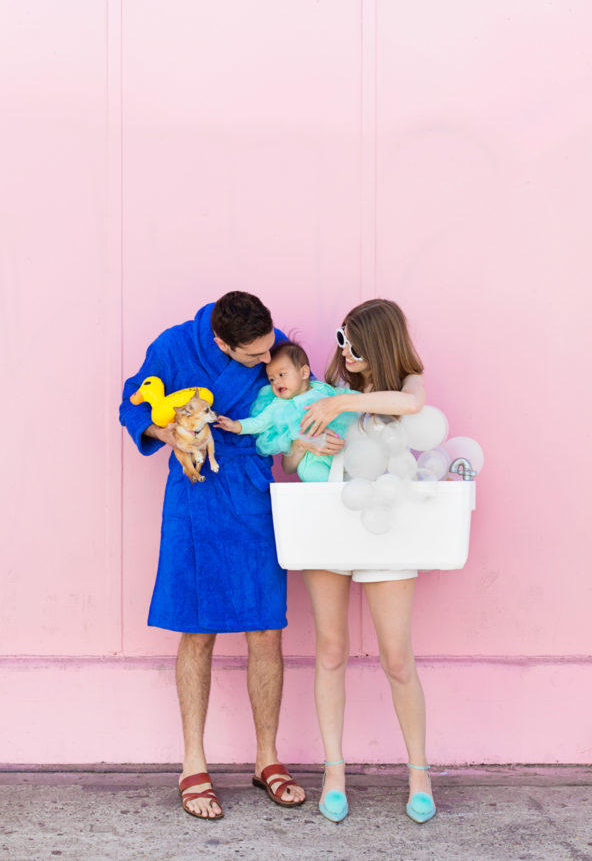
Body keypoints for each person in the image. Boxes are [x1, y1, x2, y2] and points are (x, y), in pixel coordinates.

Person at [119, 292, 306, 820]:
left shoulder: (273, 348)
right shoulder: (174, 346)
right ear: (222, 342)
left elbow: (304, 396)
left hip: (250, 490)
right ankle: (193, 763)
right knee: (196, 631)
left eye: (270, 350)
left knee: (267, 628)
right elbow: (132, 403)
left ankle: (267, 758)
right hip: (196, 494)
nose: (267, 363)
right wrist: (167, 434)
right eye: (254, 357)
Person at [282, 298, 436, 824]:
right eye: (341, 339)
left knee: (397, 657)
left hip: (388, 530)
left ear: (380, 343)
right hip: (330, 523)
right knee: (329, 649)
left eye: (354, 342)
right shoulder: (326, 393)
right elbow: (291, 459)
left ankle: (419, 775)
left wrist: (343, 406)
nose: (344, 351)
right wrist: (307, 442)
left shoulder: (405, 382)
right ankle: (334, 772)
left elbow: (411, 407)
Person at [216, 340, 357, 482]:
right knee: (307, 471)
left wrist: (361, 398)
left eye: (282, 375)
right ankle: (337, 494)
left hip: (342, 445)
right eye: (271, 379)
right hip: (314, 457)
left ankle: (354, 483)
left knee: (359, 452)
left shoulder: (321, 388)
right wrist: (236, 426)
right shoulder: (278, 405)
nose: (276, 382)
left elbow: (342, 397)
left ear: (304, 372)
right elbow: (259, 422)